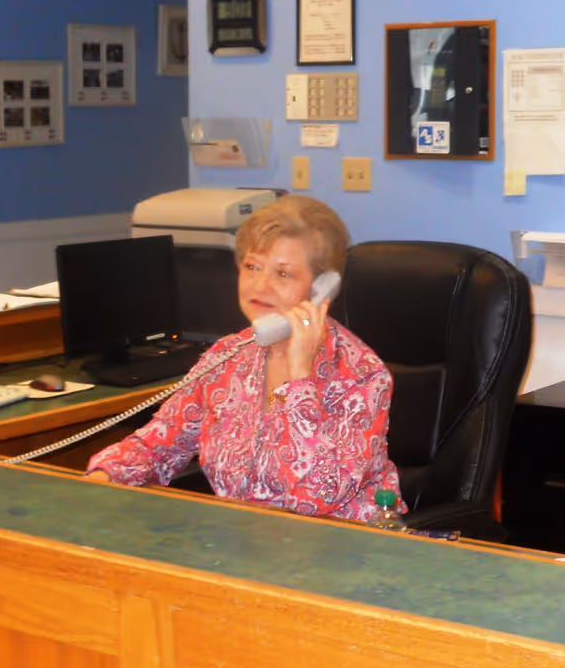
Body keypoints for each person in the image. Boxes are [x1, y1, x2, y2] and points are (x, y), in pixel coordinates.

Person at [85, 195, 401, 523]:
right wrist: (105, 475)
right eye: (252, 267)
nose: (260, 285)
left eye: (283, 274)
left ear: (323, 288)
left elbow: (318, 497)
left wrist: (300, 379)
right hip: (239, 543)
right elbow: (160, 442)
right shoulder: (226, 356)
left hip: (338, 549)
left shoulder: (361, 374)